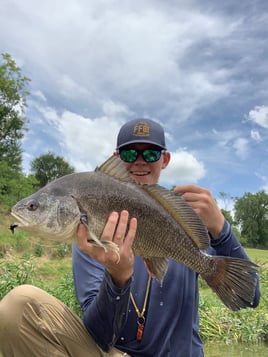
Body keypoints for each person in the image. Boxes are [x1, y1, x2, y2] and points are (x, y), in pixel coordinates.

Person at [0, 118, 260, 357]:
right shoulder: (88, 239)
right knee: (17, 305)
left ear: (165, 159)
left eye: (150, 153)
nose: (139, 161)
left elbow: (251, 296)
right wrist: (118, 277)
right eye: (128, 153)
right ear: (116, 157)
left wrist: (222, 230)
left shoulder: (183, 220)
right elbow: (100, 336)